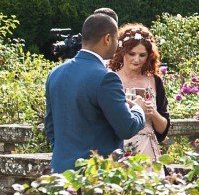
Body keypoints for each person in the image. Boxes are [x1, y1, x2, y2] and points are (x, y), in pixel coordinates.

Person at [44, 12, 144, 173]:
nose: (117, 45)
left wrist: (65, 156)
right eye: (116, 39)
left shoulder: (55, 73)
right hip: (96, 176)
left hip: (61, 172)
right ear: (107, 39)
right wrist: (138, 109)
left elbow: (50, 127)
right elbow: (127, 128)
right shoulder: (106, 78)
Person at [109, 23, 172, 164]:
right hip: (116, 149)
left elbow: (163, 130)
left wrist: (153, 113)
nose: (137, 60)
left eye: (142, 55)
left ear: (149, 56)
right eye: (132, 54)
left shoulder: (155, 81)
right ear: (122, 52)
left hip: (147, 151)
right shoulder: (110, 79)